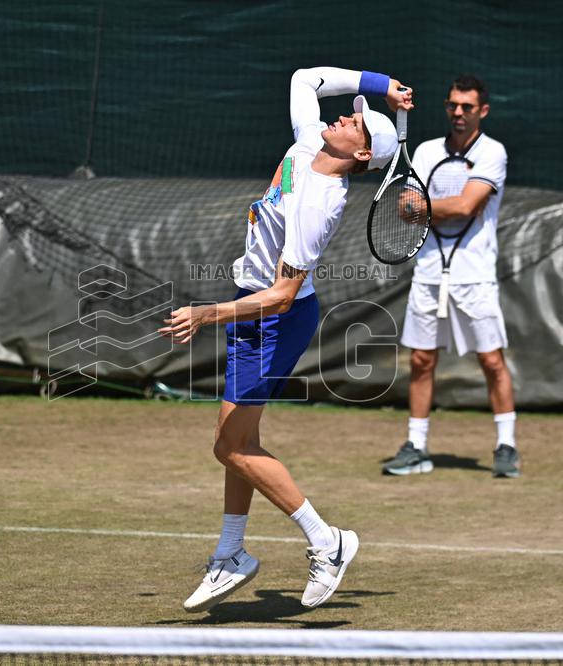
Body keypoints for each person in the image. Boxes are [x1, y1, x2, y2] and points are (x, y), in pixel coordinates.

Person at [159, 66, 413, 612]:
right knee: (238, 443)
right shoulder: (305, 146)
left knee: (230, 446)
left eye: (358, 123)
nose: (347, 116)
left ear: (362, 155)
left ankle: (328, 541)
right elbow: (306, 79)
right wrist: (378, 85)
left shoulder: (318, 206)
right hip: (257, 310)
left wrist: (208, 313)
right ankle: (231, 554)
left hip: (275, 318)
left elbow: (279, 295)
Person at [382, 74, 519, 479]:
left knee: (492, 361)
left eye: (467, 107)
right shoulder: (425, 152)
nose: (458, 114)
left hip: (474, 275)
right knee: (422, 360)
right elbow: (405, 208)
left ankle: (506, 446)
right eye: (452, 106)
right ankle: (416, 447)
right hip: (428, 271)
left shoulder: (493, 152)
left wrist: (428, 204)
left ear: (483, 111)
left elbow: (466, 207)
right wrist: (439, 205)